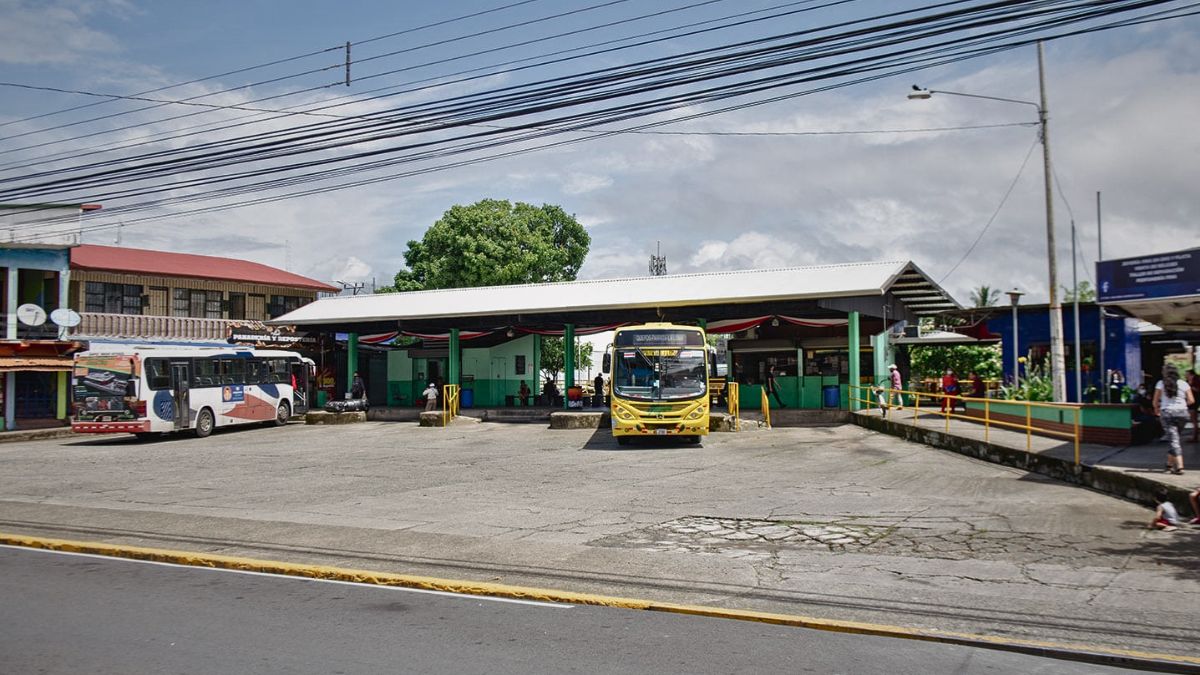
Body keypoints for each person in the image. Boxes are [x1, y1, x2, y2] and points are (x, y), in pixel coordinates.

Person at [1153, 363, 1194, 475]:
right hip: (1183, 414)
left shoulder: (1161, 383)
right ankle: (1169, 465)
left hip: (1167, 413)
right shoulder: (1183, 383)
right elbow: (1191, 400)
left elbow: (1155, 401)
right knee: (1174, 439)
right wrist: (1181, 405)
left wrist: (1156, 409)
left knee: (1174, 440)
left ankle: (1180, 467)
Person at [1188, 370, 1200, 443]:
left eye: (1187, 374)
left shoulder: (1196, 381)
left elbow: (1197, 390)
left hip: (1194, 402)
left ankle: (1195, 437)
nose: (1186, 376)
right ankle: (1195, 436)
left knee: (1194, 420)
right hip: (1193, 402)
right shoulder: (1190, 381)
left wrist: (1190, 386)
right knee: (1194, 420)